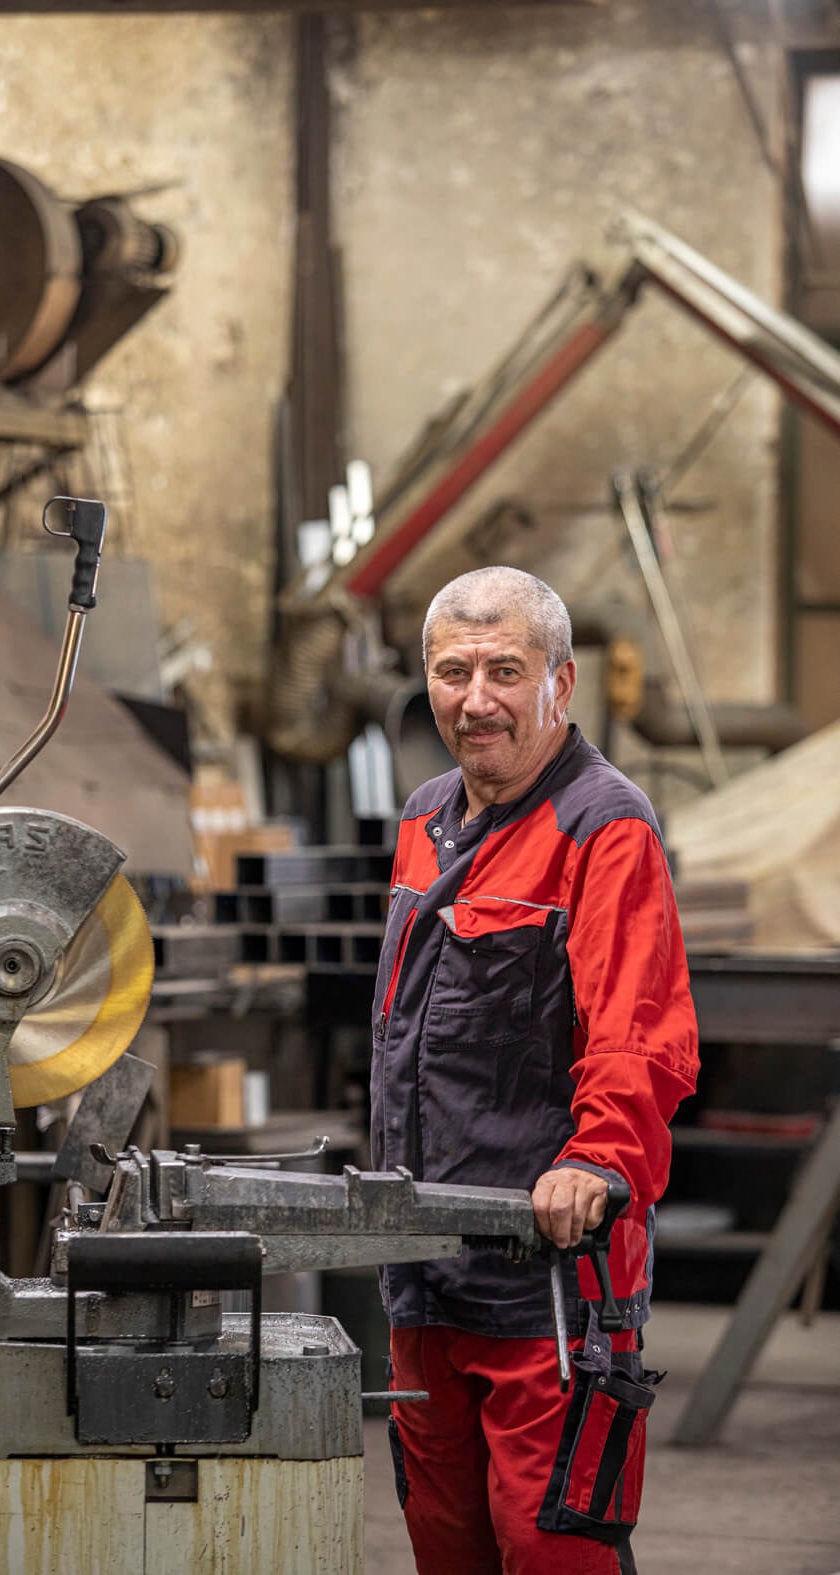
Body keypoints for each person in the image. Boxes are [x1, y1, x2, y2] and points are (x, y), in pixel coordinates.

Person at [372, 566, 699, 1575]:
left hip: (546, 1280)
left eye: (505, 671)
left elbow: (640, 1031)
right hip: (425, 1271)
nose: (478, 700)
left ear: (561, 683)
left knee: (551, 1547)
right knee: (448, 1548)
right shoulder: (427, 818)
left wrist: (598, 1161)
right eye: (453, 671)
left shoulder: (606, 825)